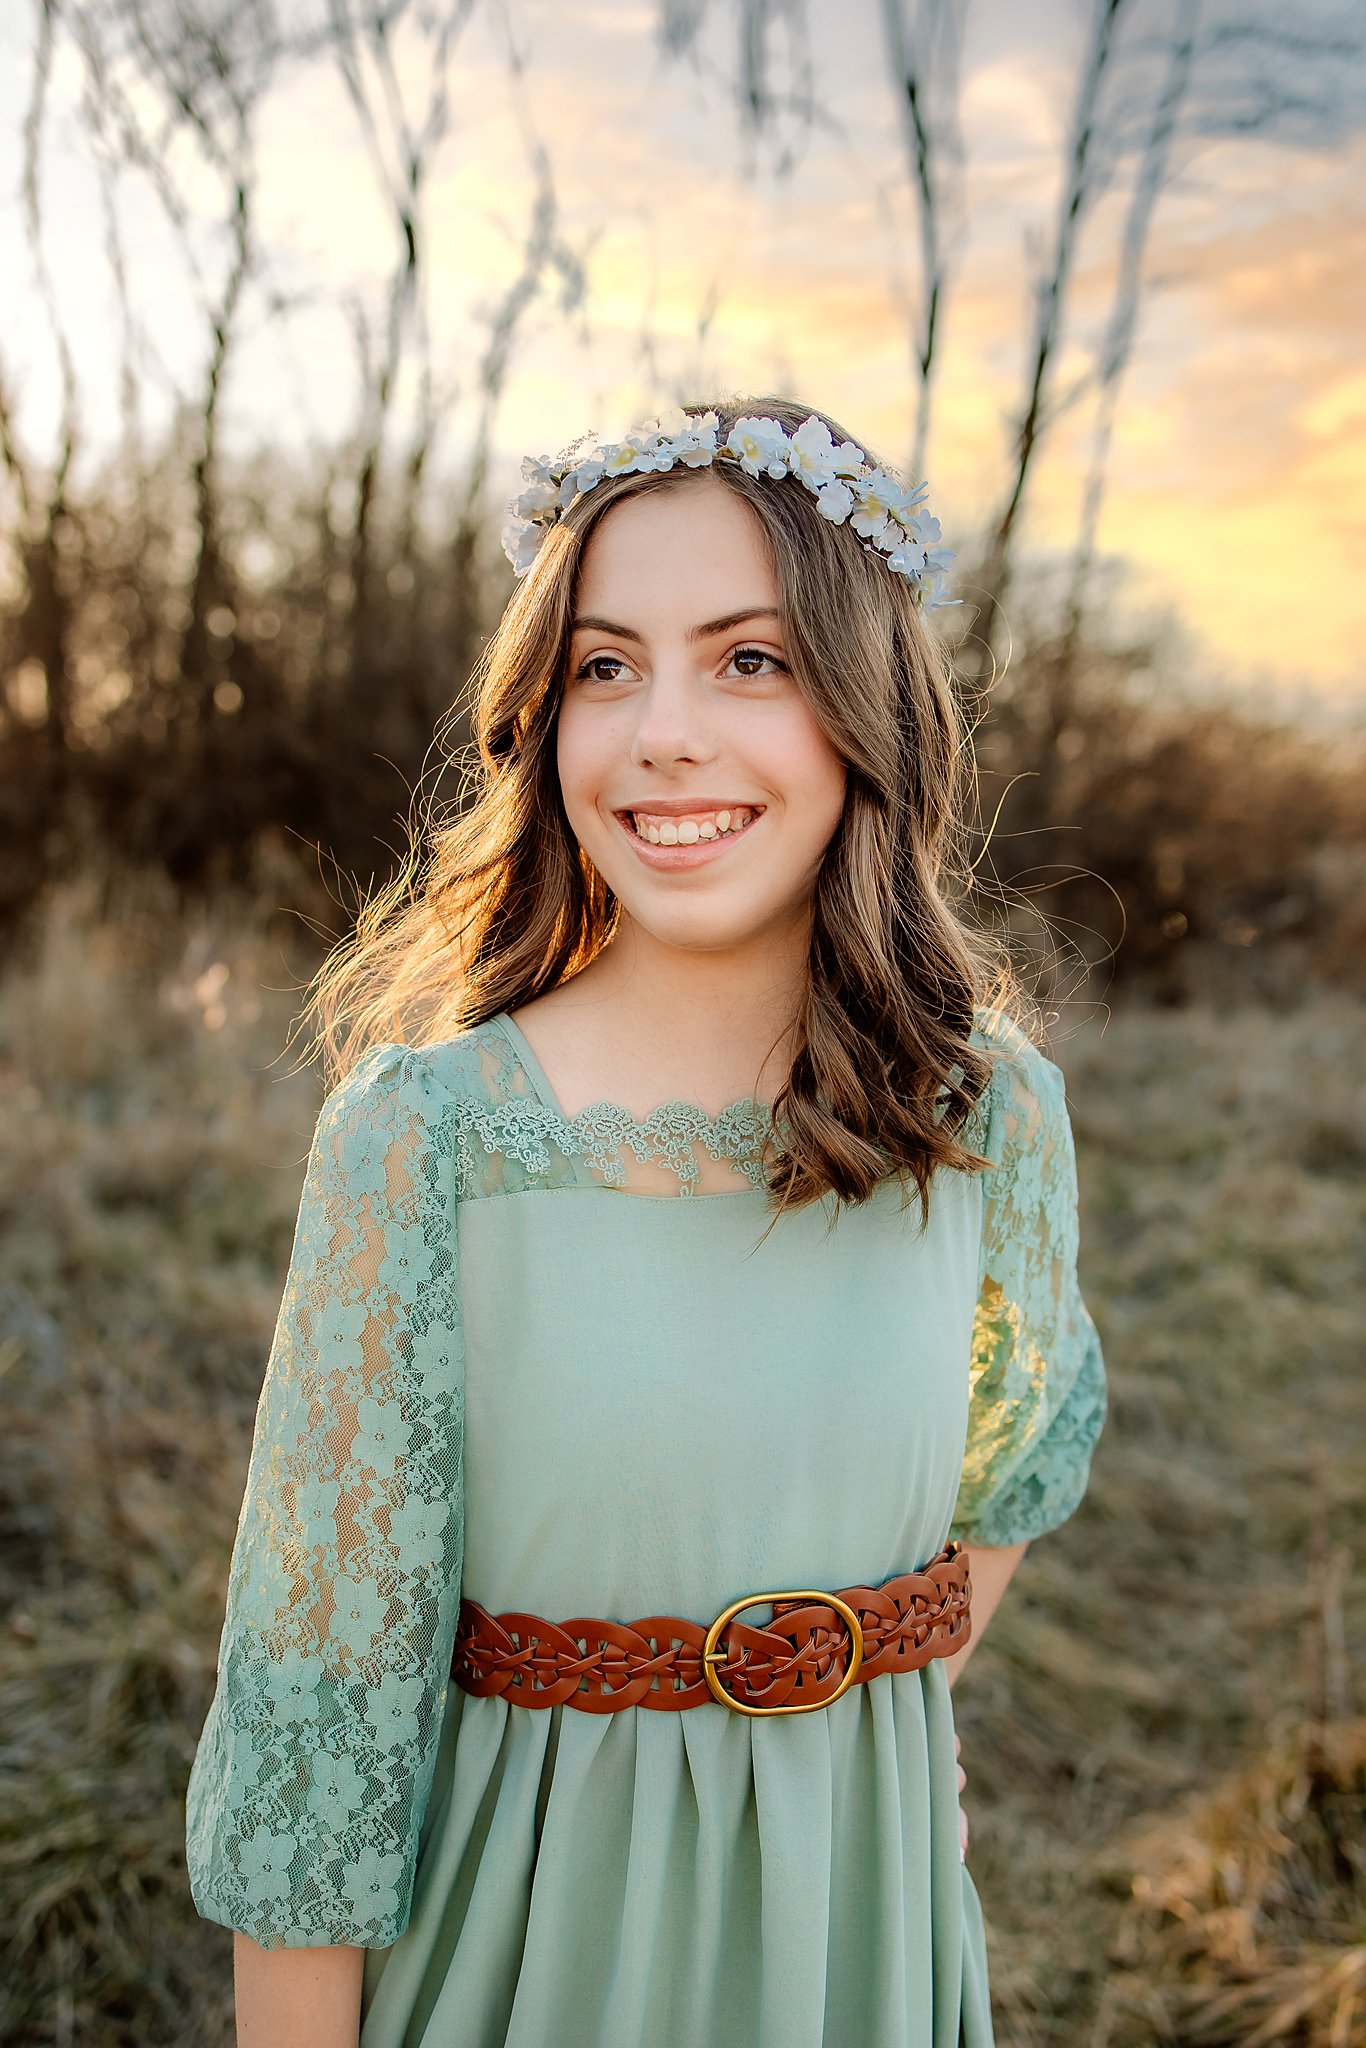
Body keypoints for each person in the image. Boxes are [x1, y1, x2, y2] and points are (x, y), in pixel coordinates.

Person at [184, 396, 1108, 2048]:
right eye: (606, 667)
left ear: (866, 709)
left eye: (747, 659)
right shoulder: (435, 1141)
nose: (663, 731)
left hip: (858, 1944)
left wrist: (863, 1737)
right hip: (530, 1954)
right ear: (543, 721)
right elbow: (314, 1713)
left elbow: (1013, 1460)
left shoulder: (987, 1119)